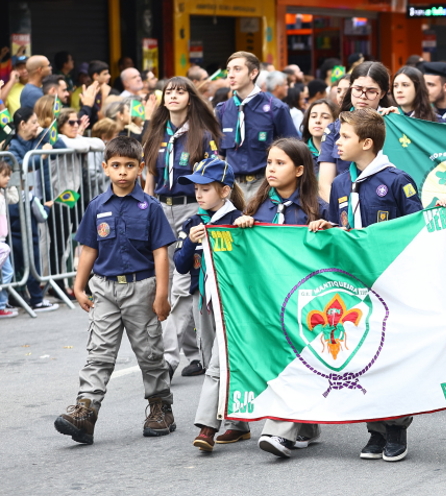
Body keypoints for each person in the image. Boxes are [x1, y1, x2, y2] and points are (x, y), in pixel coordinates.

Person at [53, 136, 177, 445]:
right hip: (105, 289)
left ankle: (160, 408)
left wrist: (162, 295)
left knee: (149, 352)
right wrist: (78, 285)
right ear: (106, 167)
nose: (122, 172)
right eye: (116, 166)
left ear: (140, 168)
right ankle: (86, 412)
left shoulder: (150, 208)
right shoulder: (97, 207)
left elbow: (161, 253)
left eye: (129, 166)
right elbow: (89, 249)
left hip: (142, 287)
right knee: (99, 353)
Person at [325, 109, 423, 461]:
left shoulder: (398, 180)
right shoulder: (339, 184)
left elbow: (415, 231)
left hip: (391, 283)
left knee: (390, 355)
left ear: (366, 143)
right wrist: (326, 229)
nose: (336, 141)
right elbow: (333, 225)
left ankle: (397, 425)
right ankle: (376, 429)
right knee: (364, 356)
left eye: (344, 136)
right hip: (354, 287)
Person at [236, 137, 330, 458]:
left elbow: (336, 251)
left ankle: (279, 430)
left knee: (295, 362)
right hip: (267, 298)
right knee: (280, 361)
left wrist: (326, 229)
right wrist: (243, 226)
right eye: (270, 162)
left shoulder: (316, 208)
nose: (271, 169)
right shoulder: (259, 206)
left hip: (302, 300)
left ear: (300, 170)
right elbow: (243, 251)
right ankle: (306, 425)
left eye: (281, 163)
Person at [142, 77, 222, 378]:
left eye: (180, 91)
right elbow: (150, 176)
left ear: (190, 98)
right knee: (173, 280)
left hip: (192, 207)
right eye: (169, 92)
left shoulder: (202, 134)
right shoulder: (156, 133)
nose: (173, 96)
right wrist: (146, 210)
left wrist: (206, 214)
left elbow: (213, 177)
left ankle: (169, 358)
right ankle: (195, 354)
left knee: (180, 283)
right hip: (162, 208)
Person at [179, 157, 246, 452]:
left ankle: (208, 426)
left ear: (225, 190)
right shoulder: (194, 221)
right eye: (196, 188)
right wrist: (188, 243)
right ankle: (238, 423)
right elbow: (181, 266)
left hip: (231, 302)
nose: (198, 194)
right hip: (203, 299)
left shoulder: (237, 220)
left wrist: (240, 232)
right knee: (210, 359)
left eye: (205, 188)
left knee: (220, 364)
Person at [215, 51, 299, 200]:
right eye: (228, 70)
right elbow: (219, 153)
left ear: (253, 73)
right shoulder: (222, 110)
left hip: (265, 184)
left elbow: (294, 150)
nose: (231, 75)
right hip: (232, 186)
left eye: (237, 69)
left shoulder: (275, 108)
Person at [6, 107, 58, 313]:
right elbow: (19, 166)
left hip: (36, 200)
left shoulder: (38, 138)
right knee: (20, 250)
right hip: (18, 203)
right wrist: (41, 155)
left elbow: (58, 144)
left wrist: (46, 136)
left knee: (33, 246)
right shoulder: (13, 145)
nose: (37, 125)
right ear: (22, 124)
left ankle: (29, 295)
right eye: (34, 122)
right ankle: (30, 296)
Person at [317, 61, 394, 198]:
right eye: (358, 89)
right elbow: (325, 185)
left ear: (382, 94)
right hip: (344, 208)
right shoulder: (334, 129)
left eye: (371, 91)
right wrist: (344, 211)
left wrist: (398, 122)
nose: (363, 96)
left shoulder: (392, 123)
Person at [0, 161, 19, 318]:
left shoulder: (3, 193)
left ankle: (2, 304)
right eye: (4, 176)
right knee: (7, 272)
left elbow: (15, 198)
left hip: (2, 240)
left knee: (8, 272)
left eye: (9, 176)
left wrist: (10, 185)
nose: (8, 179)